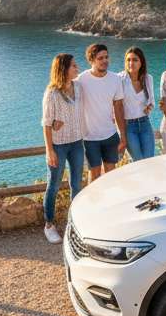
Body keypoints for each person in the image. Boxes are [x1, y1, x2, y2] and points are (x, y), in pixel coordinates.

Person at [41, 53, 84, 244]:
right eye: (74, 66)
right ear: (64, 69)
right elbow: (46, 124)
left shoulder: (78, 87)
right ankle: (49, 225)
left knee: (77, 185)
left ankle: (73, 222)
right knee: (54, 185)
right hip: (58, 146)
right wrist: (49, 150)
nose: (78, 68)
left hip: (77, 143)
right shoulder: (52, 94)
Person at [77, 43, 126, 182]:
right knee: (95, 176)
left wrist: (123, 136)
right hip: (89, 138)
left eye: (106, 57)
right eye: (100, 58)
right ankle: (94, 203)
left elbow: (118, 108)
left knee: (111, 176)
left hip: (110, 136)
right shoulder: (81, 80)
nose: (105, 60)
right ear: (91, 60)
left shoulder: (115, 79)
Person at [119, 46, 156, 161]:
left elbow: (152, 102)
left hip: (145, 123)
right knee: (139, 161)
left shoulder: (148, 78)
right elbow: (115, 106)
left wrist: (149, 107)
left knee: (149, 160)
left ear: (141, 62)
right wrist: (121, 132)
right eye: (128, 60)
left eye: (135, 60)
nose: (131, 63)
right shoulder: (119, 79)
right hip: (128, 126)